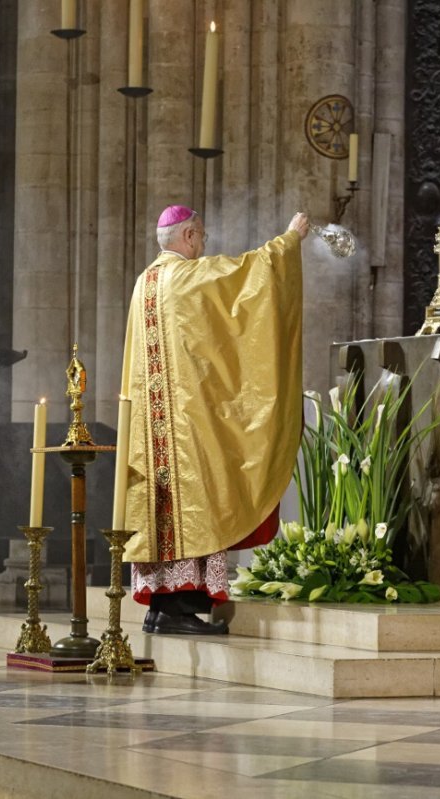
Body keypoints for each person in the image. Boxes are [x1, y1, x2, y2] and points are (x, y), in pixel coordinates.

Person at [121, 206, 309, 635]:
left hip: (151, 430)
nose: (203, 245)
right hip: (185, 428)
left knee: (162, 509)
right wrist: (289, 240)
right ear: (187, 235)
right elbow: (246, 278)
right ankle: (179, 608)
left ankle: (159, 606)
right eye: (201, 237)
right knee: (196, 503)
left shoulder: (144, 283)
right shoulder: (185, 277)